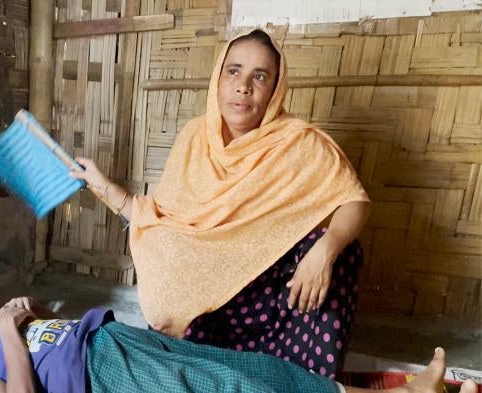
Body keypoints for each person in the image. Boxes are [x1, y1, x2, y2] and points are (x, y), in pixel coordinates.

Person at [71, 28, 371, 377]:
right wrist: (102, 185)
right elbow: (163, 220)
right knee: (185, 357)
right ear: (218, 78)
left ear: (275, 89)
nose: (243, 85)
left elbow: (354, 200)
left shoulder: (297, 143)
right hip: (210, 307)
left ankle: (302, 381)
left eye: (259, 76)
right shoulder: (195, 138)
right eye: (234, 71)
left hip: (269, 298)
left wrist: (327, 248)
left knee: (344, 253)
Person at [0, 266, 476, 393]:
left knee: (253, 369)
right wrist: (6, 329)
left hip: (117, 341)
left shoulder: (16, 323)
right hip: (106, 374)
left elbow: (54, 342)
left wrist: (34, 321)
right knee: (237, 391)